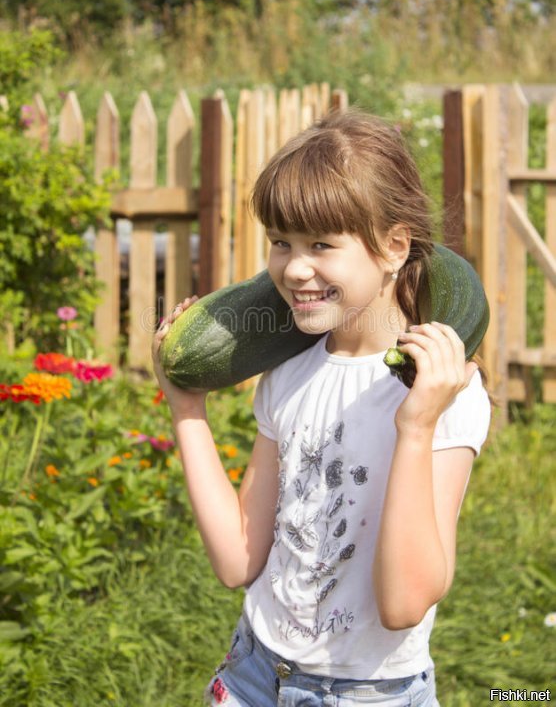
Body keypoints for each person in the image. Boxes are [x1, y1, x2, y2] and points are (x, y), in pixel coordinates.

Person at [152, 109, 491, 706]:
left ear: (393, 247)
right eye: (281, 242)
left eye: (322, 245)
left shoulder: (446, 391)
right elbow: (238, 561)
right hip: (254, 672)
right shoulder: (288, 373)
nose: (295, 268)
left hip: (370, 693)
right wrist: (187, 406)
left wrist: (416, 426)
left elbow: (404, 604)